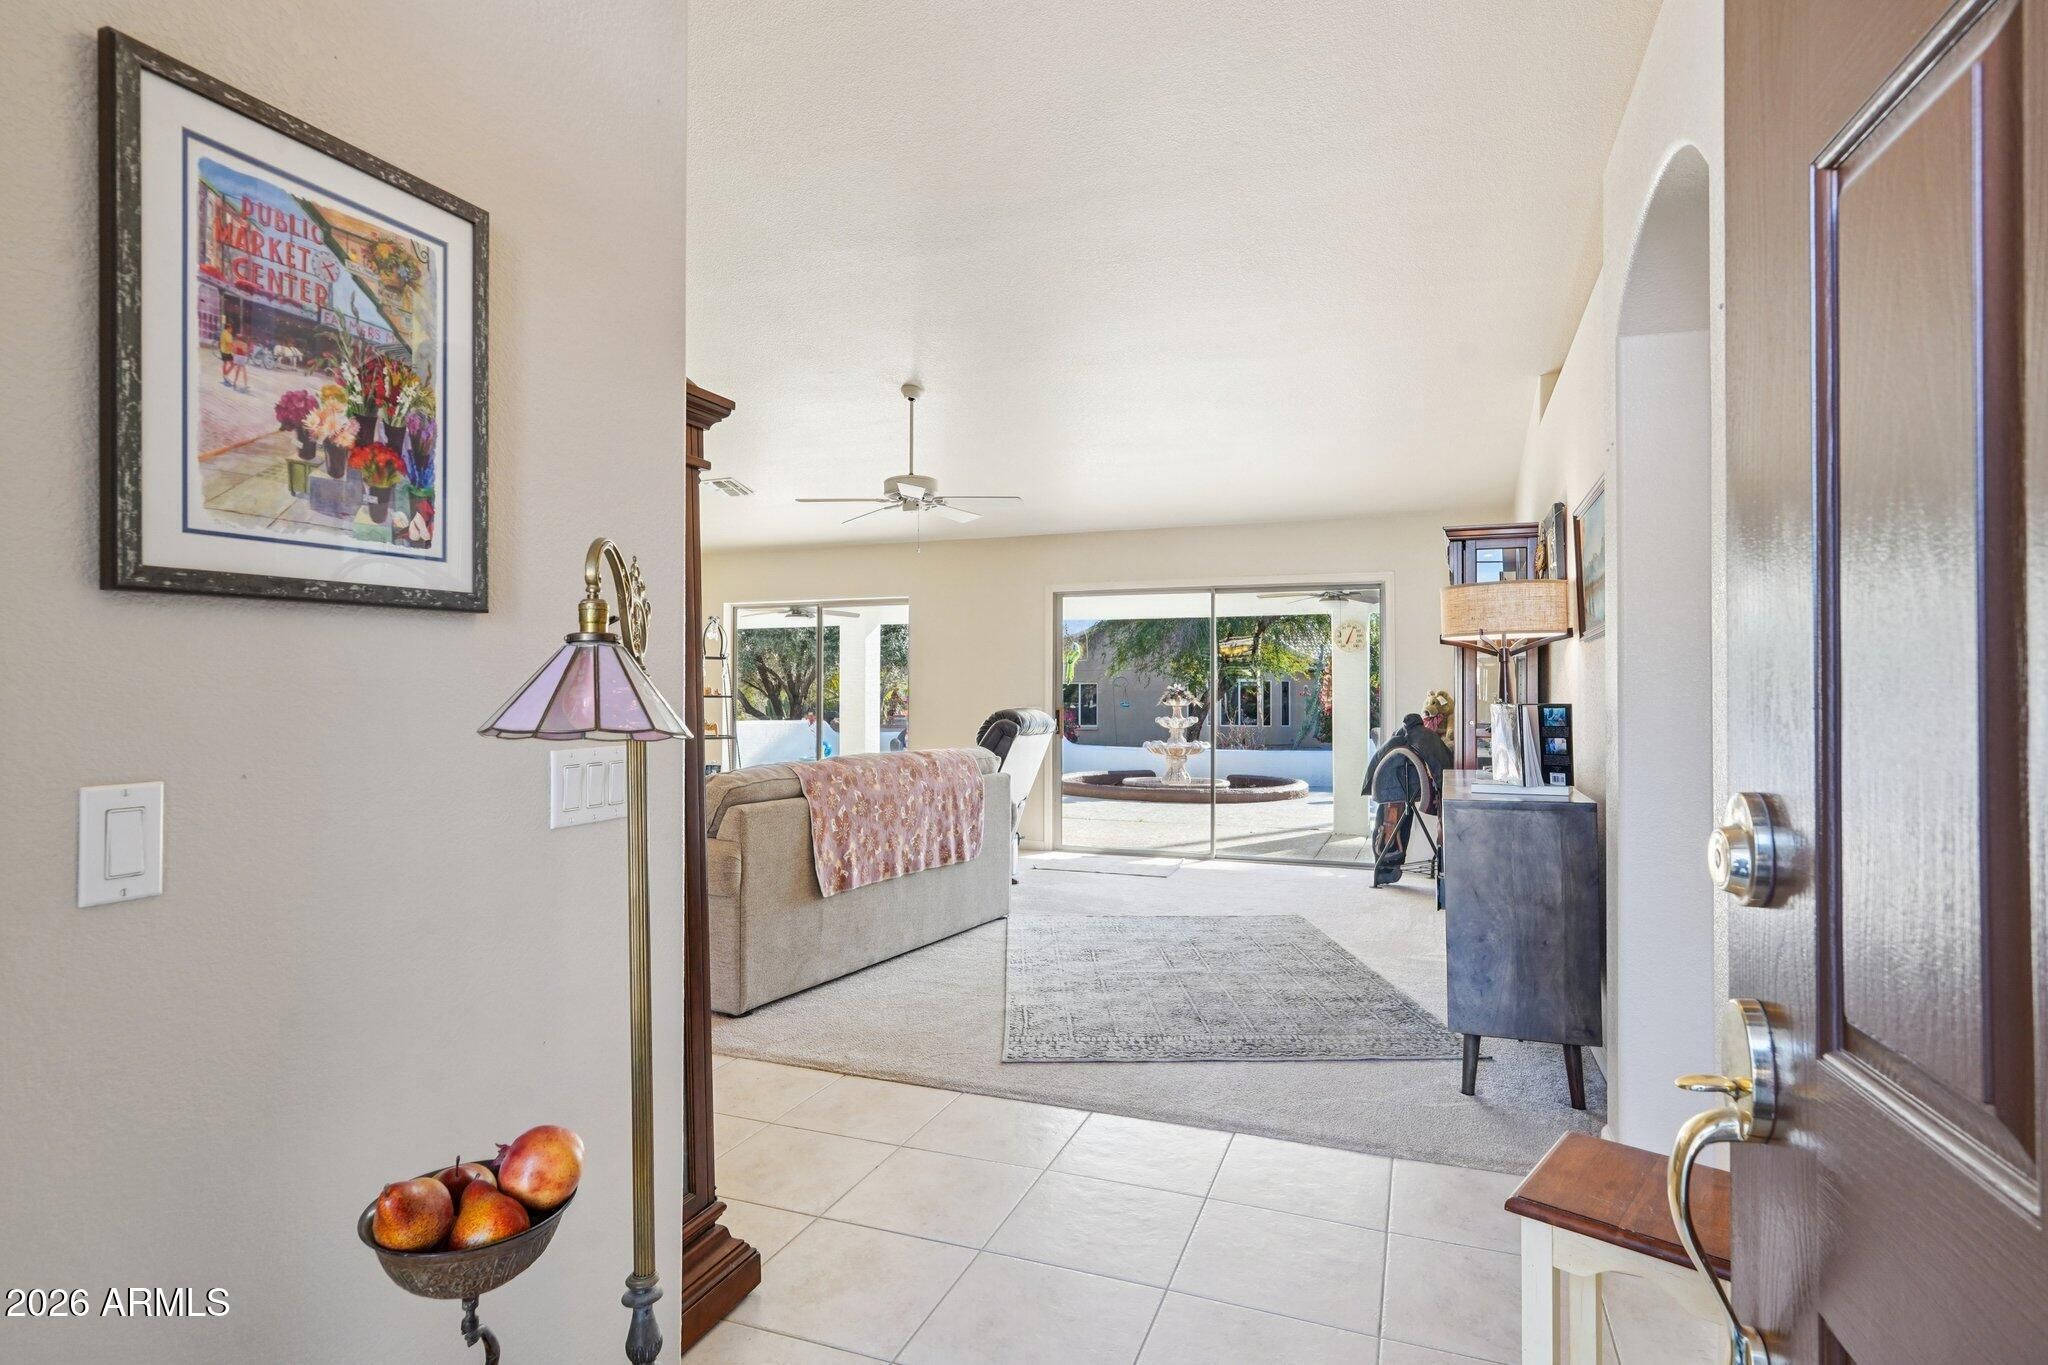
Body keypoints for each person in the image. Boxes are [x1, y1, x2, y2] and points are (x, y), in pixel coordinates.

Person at [1362, 710, 1452, 886]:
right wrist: (1445, 791)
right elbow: (1441, 764)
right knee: (1394, 826)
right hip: (1401, 786)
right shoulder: (1426, 736)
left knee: (1390, 824)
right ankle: (1388, 866)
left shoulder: (1398, 736)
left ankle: (1385, 869)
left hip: (1390, 786)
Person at [217, 321, 235, 387]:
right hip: (227, 352)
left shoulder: (222, 333)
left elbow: (219, 342)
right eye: (231, 328)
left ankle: (224, 376)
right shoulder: (228, 335)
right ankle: (226, 375)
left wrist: (220, 348)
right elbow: (229, 344)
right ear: (228, 328)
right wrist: (233, 351)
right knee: (232, 364)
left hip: (222, 351)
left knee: (225, 364)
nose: (232, 330)